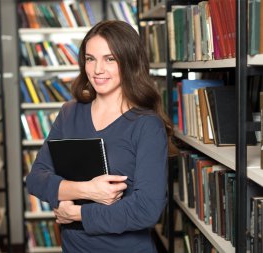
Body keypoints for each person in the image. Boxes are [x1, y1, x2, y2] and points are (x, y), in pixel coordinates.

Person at [26, 20, 176, 253]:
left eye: (110, 59)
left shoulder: (147, 125)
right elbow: (35, 179)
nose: (97, 70)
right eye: (90, 58)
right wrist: (88, 190)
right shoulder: (70, 112)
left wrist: (77, 213)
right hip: (73, 248)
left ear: (129, 63)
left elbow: (147, 209)